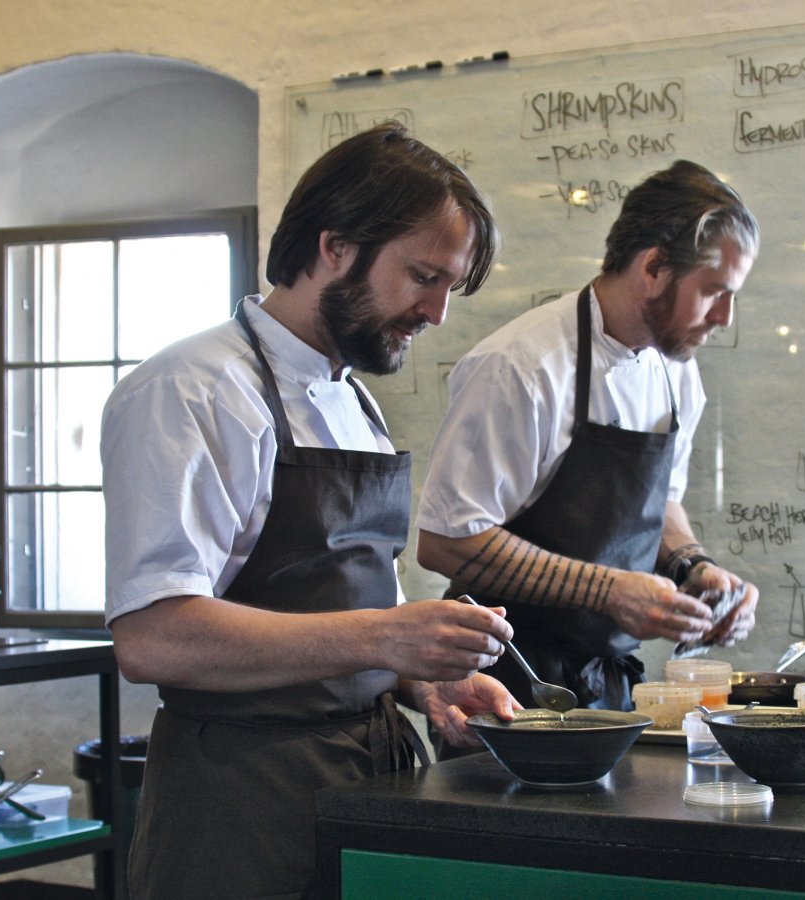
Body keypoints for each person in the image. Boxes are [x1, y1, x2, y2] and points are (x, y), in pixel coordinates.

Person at [101, 123, 517, 900]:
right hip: (241, 799)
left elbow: (351, 596)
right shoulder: (192, 390)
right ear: (334, 246)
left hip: (373, 780)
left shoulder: (352, 400)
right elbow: (154, 638)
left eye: (449, 289)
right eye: (423, 276)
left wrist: (421, 681)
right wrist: (388, 637)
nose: (436, 314)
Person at [415, 160, 761, 713]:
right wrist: (608, 590)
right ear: (653, 269)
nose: (724, 316)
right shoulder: (522, 367)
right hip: (506, 680)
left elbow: (661, 499)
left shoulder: (677, 372)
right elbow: (447, 541)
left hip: (609, 683)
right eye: (714, 291)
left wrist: (695, 568)